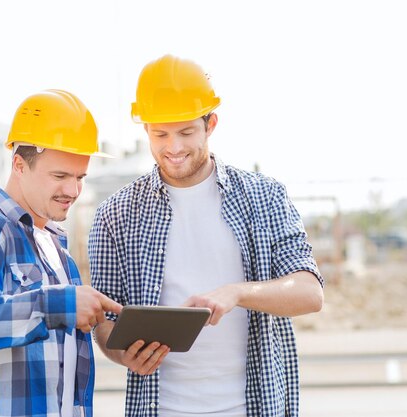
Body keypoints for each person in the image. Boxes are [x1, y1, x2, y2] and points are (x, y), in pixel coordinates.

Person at [88, 55, 324, 417]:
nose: (174, 148)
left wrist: (238, 292)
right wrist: (123, 354)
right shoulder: (115, 216)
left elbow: (309, 293)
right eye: (160, 134)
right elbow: (104, 321)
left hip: (253, 407)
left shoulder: (264, 197)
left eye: (185, 132)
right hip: (160, 408)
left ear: (210, 124)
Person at [0, 89, 122, 417]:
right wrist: (56, 305)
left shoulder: (57, 248)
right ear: (19, 165)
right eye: (60, 176)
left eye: (80, 177)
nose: (73, 191)